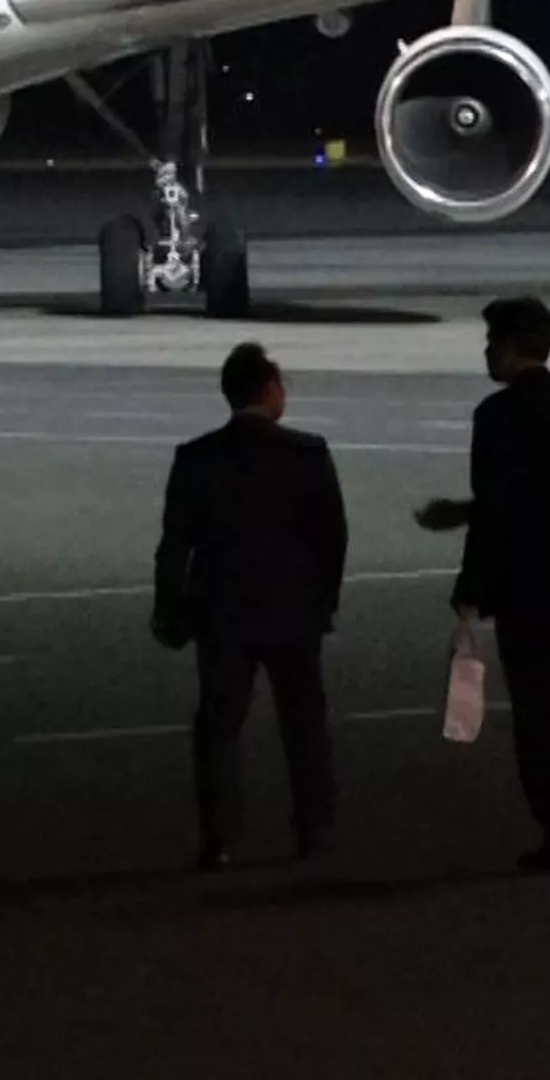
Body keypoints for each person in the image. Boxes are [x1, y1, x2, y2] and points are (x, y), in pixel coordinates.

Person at [415, 295, 550, 871]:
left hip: (531, 583)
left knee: (535, 712)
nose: (485, 352)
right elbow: (546, 495)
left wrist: (469, 588)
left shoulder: (497, 417)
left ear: (509, 346)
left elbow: (502, 509)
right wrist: (468, 511)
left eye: (491, 342)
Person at [152, 341, 349, 870]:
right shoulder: (307, 454)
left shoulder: (196, 457)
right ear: (269, 389)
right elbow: (332, 537)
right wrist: (323, 600)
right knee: (303, 723)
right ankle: (313, 828)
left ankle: (218, 836)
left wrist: (169, 607)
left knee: (218, 726)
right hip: (293, 611)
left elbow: (175, 544)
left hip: (222, 611)